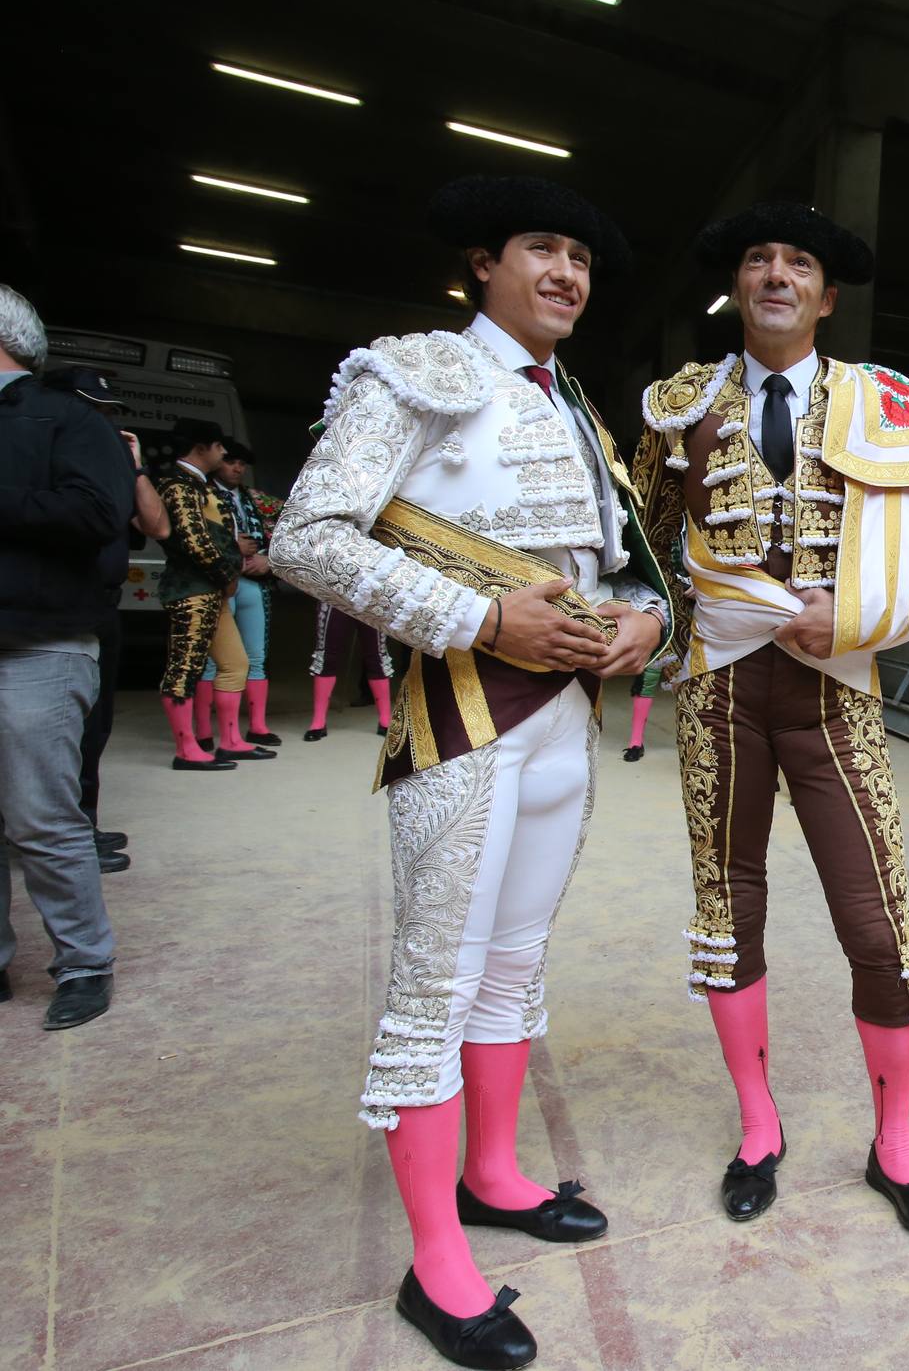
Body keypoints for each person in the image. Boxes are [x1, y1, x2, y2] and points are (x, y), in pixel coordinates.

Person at [269, 174, 668, 1367]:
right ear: (482, 265)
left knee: (514, 962)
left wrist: (647, 617)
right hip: (466, 710)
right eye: (541, 250)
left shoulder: (581, 403)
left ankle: (492, 1174)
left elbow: (622, 561)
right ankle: (435, 1261)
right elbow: (308, 535)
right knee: (436, 983)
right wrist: (480, 622)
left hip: (564, 721)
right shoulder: (417, 370)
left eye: (582, 260)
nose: (566, 274)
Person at [630, 200, 909, 1241]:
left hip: (835, 686)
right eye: (757, 260)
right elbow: (638, 546)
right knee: (727, 910)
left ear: (826, 295)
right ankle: (758, 1126)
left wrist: (854, 613)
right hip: (720, 688)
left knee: (874, 920)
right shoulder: (677, 406)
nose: (775, 274)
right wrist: (645, 626)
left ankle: (896, 1145)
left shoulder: (886, 404)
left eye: (798, 263)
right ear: (738, 289)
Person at [0, 284, 130, 1028]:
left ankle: (83, 963)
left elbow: (97, 514)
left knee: (43, 819)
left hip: (37, 645)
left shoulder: (68, 419)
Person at [45, 366, 169, 872]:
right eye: (88, 407)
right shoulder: (46, 455)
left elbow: (155, 524)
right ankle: (59, 835)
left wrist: (134, 467)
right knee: (55, 728)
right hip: (53, 607)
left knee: (96, 727)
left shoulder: (110, 458)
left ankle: (83, 826)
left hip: (102, 605)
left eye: (105, 411)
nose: (98, 418)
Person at [155, 417, 269, 769]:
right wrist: (228, 574)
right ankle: (186, 748)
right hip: (193, 589)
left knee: (236, 663)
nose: (224, 453)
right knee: (184, 667)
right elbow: (194, 542)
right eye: (220, 447)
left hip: (211, 589)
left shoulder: (196, 485)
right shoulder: (179, 485)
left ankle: (231, 740)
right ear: (202, 448)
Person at [196, 441, 283, 746]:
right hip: (219, 583)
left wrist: (269, 558)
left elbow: (293, 520)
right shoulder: (201, 494)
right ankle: (205, 732)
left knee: (256, 656)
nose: (236, 468)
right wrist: (234, 549)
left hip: (253, 584)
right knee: (211, 659)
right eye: (231, 462)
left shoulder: (255, 499)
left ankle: (256, 726)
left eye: (242, 464)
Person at [304, 604, 396, 741]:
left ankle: (385, 720)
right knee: (326, 655)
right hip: (335, 592)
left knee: (377, 656)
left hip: (372, 595)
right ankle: (318, 721)